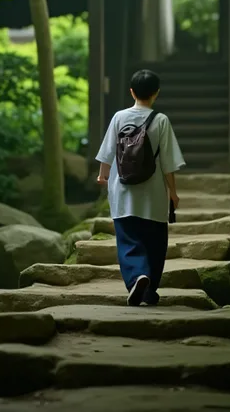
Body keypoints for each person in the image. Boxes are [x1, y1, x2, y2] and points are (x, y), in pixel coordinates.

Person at [96, 68, 185, 306]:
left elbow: (107, 154)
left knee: (128, 239)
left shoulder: (118, 117)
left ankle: (137, 276)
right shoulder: (161, 120)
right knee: (155, 243)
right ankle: (149, 289)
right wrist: (173, 193)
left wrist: (103, 177)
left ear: (131, 91)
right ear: (156, 93)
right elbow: (168, 162)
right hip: (153, 195)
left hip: (123, 192)